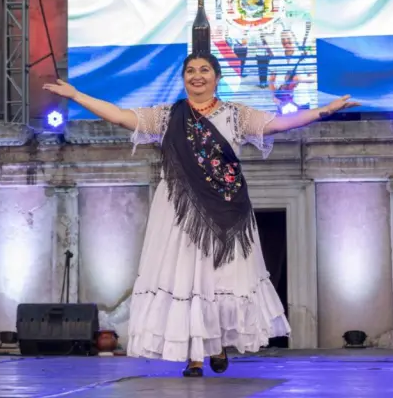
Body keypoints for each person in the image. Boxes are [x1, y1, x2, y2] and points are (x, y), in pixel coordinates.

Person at [44, 53, 358, 376]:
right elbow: (122, 117)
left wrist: (323, 111)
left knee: (218, 280)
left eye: (205, 70)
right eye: (191, 70)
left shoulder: (235, 115)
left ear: (217, 77)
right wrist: (77, 95)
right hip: (179, 212)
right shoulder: (168, 116)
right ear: (183, 79)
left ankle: (216, 343)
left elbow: (278, 124)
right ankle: (194, 356)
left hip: (226, 210)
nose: (197, 75)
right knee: (186, 279)